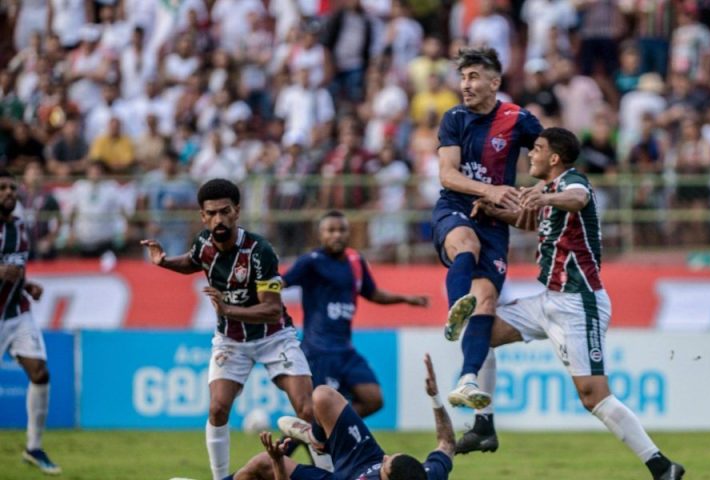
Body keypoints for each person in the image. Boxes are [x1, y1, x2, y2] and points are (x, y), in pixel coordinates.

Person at [464, 128, 685, 480]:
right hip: (548, 298)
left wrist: (546, 198)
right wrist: (494, 211)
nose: (530, 155)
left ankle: (662, 466)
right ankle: (484, 425)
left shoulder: (573, 182)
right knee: (480, 330)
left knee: (592, 396)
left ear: (554, 158)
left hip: (579, 302)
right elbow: (534, 220)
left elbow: (578, 198)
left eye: (536, 150)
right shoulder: (550, 192)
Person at [141, 179, 314, 480]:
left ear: (237, 212)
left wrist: (227, 310)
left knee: (308, 410)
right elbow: (193, 261)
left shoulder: (260, 251)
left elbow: (272, 308)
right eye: (212, 213)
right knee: (218, 409)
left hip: (274, 337)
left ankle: (330, 475)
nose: (219, 219)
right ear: (203, 217)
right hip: (231, 341)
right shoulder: (203, 243)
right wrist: (165, 261)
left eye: (225, 212)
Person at [433, 46, 543, 409]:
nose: (466, 84)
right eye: (463, 77)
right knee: (466, 245)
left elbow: (551, 158)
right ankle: (453, 312)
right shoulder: (454, 118)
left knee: (487, 304)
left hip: (495, 222)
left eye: (474, 77)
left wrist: (536, 194)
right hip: (456, 208)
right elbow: (447, 175)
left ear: (494, 82)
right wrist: (489, 189)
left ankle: (466, 380)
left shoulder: (517, 119)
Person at [283, 211, 429, 418]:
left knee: (373, 399)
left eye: (341, 230)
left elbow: (373, 293)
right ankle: (303, 440)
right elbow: (280, 283)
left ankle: (325, 431)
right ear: (320, 235)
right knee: (314, 413)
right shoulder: (311, 262)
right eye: (330, 230)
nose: (337, 235)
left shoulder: (355, 261)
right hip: (319, 351)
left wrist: (405, 299)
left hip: (345, 351)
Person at [227, 354, 454, 480]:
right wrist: (435, 397)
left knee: (262, 464)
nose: (385, 458)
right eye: (390, 457)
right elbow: (447, 444)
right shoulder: (427, 475)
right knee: (323, 396)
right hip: (364, 456)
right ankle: (318, 439)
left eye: (386, 465)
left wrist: (277, 460)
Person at [0, 170, 59, 474]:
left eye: (12, 187)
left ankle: (33, 447)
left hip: (17, 313)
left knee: (40, 372)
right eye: (2, 188)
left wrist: (27, 286)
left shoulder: (21, 228)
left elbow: (15, 269)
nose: (9, 192)